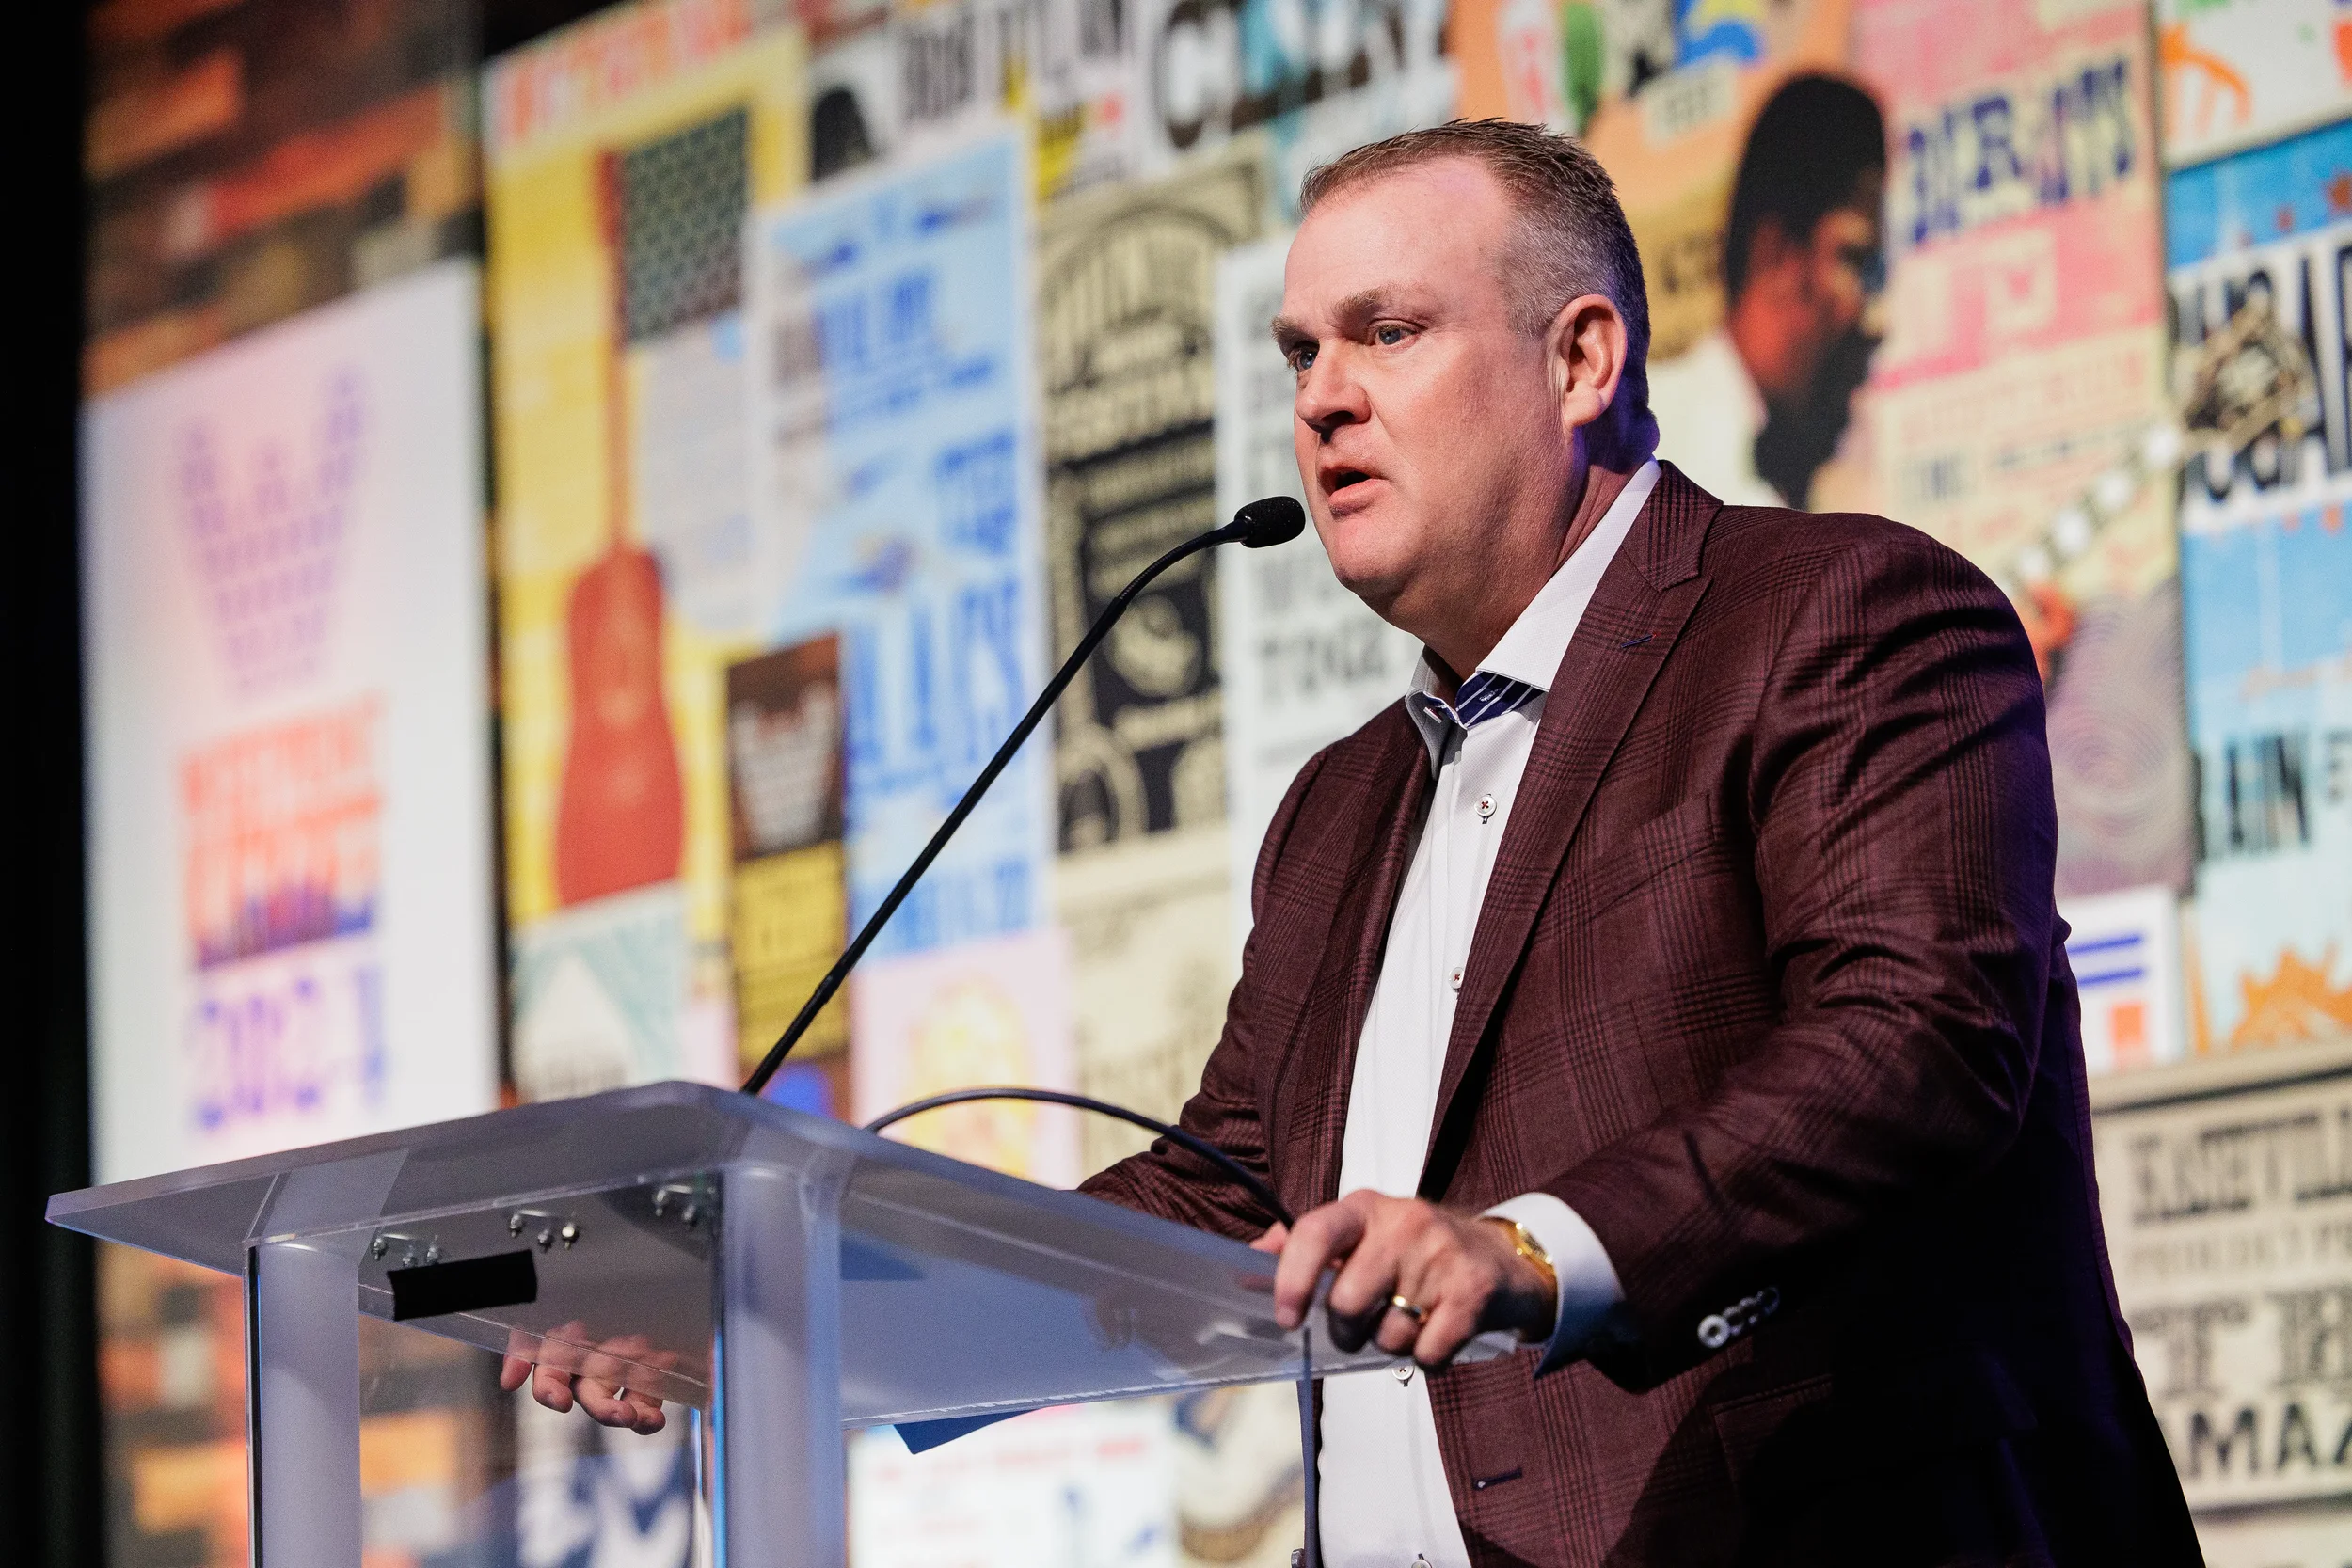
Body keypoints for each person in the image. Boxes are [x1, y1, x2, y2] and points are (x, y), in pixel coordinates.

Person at [510, 119, 2200, 1564]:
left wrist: (1531, 1246)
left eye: (1387, 333)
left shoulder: (1835, 614)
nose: (1322, 402)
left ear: (1582, 358)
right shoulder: (1338, 806)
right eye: (1301, 353)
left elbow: (1916, 1047)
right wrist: (790, 1326)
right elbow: (1210, 1206)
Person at [1649, 74, 1887, 510]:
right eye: (1855, 261)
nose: (1875, 317)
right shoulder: (1638, 452)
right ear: (1778, 256)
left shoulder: (1818, 476)